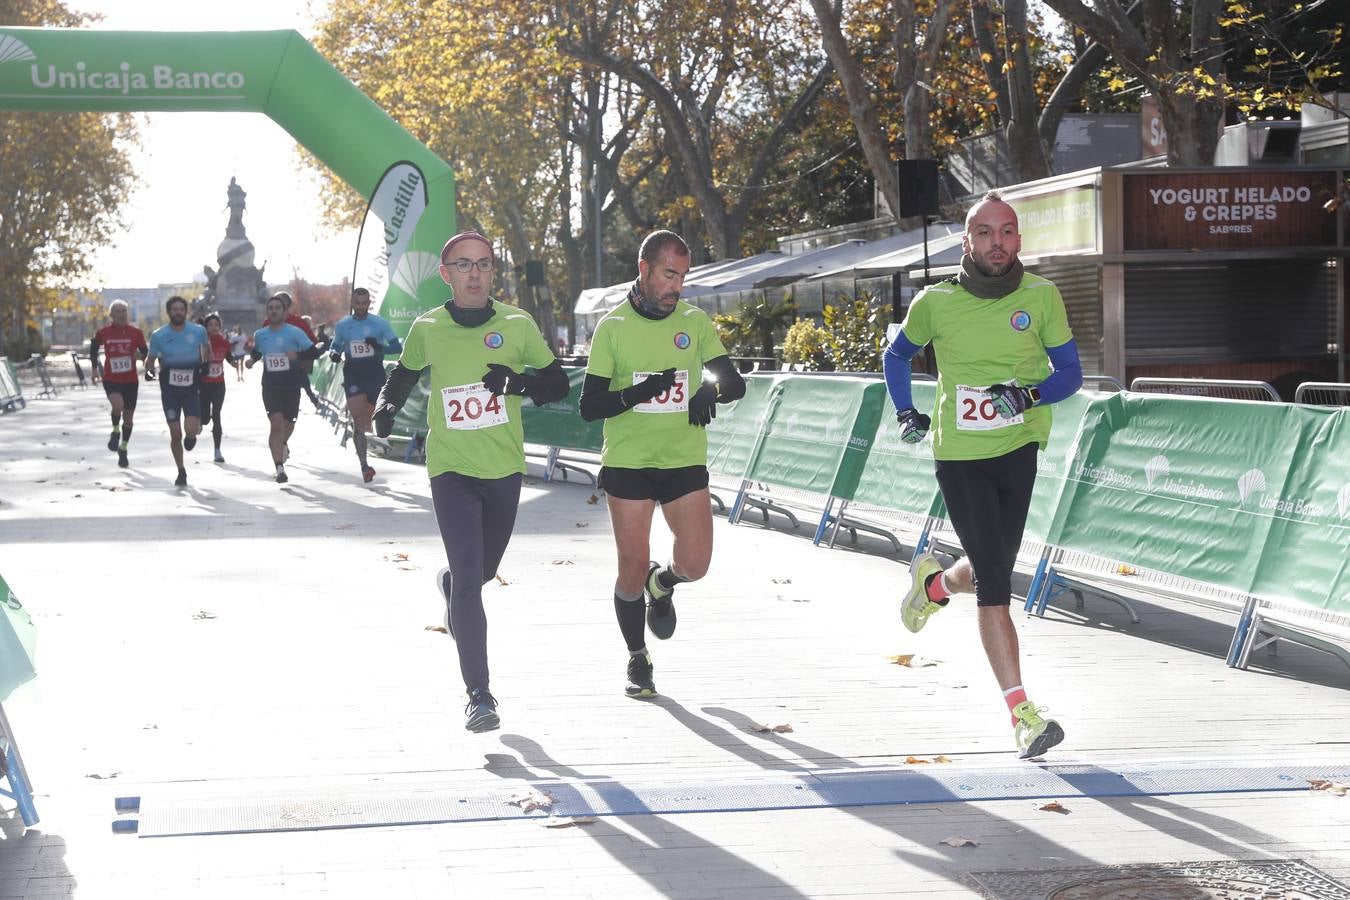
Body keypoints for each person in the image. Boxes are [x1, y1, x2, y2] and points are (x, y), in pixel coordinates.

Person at [882, 190, 1083, 760]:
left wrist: (1029, 393)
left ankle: (935, 584)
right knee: (996, 585)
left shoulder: (1042, 296)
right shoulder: (935, 302)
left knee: (993, 568)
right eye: (987, 233)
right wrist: (905, 410)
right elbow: (897, 357)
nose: (1000, 243)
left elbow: (1071, 373)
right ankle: (1023, 715)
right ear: (967, 241)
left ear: (1020, 239)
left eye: (1009, 232)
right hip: (961, 455)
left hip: (1020, 445)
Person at [372, 231, 568, 733]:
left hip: (503, 468)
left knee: (477, 575)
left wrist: (515, 382)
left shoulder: (517, 324)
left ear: (493, 273)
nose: (475, 274)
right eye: (464, 265)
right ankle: (479, 695)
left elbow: (557, 384)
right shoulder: (428, 327)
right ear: (447, 274)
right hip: (450, 467)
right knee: (468, 578)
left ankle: (452, 584)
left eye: (483, 264)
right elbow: (405, 372)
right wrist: (385, 407)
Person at [578, 230, 746, 700]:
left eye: (683, 277)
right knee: (629, 567)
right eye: (670, 275)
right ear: (644, 269)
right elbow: (589, 406)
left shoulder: (694, 322)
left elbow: (735, 383)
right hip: (629, 463)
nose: (677, 286)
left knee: (696, 564)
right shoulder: (612, 328)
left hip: (682, 460)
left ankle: (663, 580)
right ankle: (637, 657)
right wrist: (639, 393)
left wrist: (708, 390)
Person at [329, 287, 402, 483]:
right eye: (357, 303)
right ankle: (364, 465)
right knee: (358, 422)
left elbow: (397, 347)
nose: (361, 307)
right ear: (352, 303)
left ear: (369, 303)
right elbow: (334, 346)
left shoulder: (379, 323)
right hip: (353, 375)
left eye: (364, 303)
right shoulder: (343, 325)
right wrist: (334, 354)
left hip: (375, 375)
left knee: (373, 420)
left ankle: (380, 426)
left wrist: (379, 347)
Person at [247, 293, 319, 484]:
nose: (273, 311)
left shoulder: (295, 332)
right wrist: (251, 361)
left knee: (289, 424)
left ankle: (283, 443)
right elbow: (257, 350)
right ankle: (279, 467)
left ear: (285, 312)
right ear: (267, 312)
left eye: (277, 308)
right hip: (270, 385)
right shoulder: (260, 334)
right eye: (270, 308)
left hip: (292, 385)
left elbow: (313, 351)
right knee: (276, 423)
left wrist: (296, 355)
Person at [146, 296, 210, 488]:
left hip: (191, 389)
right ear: (169, 312)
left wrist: (206, 364)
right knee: (175, 434)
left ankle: (191, 436)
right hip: (169, 390)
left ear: (186, 311)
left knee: (190, 430)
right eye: (174, 309)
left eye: (181, 309)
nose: (178, 312)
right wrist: (149, 370)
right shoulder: (159, 335)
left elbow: (206, 350)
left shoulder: (198, 331)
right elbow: (151, 359)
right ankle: (181, 471)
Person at [89, 300, 148, 469]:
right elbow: (93, 348)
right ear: (111, 315)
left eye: (124, 311)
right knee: (118, 405)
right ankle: (115, 430)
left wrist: (142, 357)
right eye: (118, 311)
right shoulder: (104, 332)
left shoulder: (136, 332)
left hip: (130, 381)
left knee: (128, 419)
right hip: (111, 379)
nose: (121, 314)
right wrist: (94, 368)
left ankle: (123, 447)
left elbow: (145, 352)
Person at [200, 313, 231, 464]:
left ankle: (217, 451)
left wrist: (236, 362)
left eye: (216, 325)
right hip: (204, 385)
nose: (214, 327)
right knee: (205, 419)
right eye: (210, 325)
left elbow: (230, 357)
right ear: (206, 327)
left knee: (217, 415)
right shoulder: (202, 342)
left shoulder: (224, 343)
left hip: (219, 384)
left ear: (220, 327)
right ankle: (201, 420)